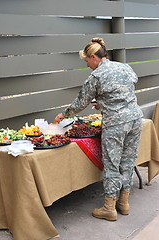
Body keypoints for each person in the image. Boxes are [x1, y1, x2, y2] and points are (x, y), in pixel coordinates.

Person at [54, 38, 143, 221]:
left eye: (87, 61)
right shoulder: (125, 67)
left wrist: (64, 114)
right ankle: (124, 204)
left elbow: (80, 103)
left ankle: (109, 208)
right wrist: (104, 102)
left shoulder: (96, 77)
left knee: (111, 164)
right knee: (127, 162)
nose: (87, 65)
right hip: (135, 119)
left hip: (116, 124)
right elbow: (128, 86)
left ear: (94, 57)